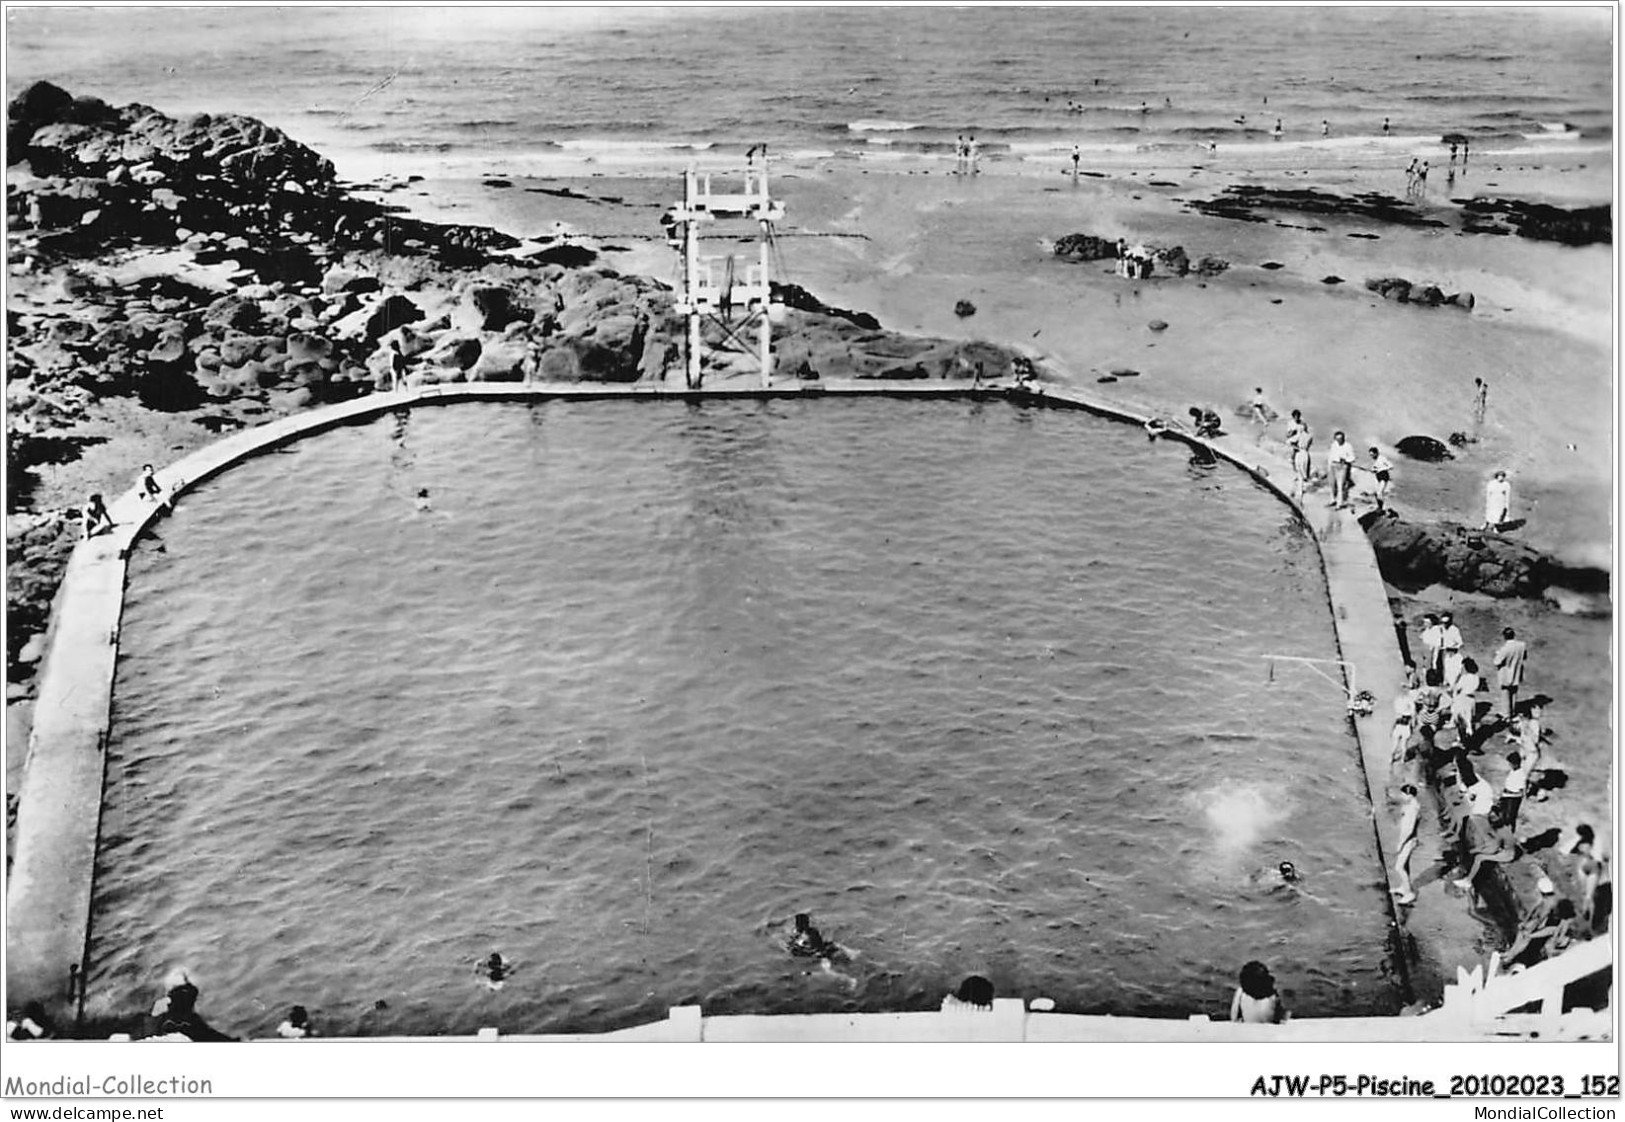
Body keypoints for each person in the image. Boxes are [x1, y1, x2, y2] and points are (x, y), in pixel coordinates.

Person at [150, 972, 237, 1042]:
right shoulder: (188, 993)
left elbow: (155, 1016)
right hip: (182, 1023)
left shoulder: (172, 998)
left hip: (181, 1022)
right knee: (203, 1032)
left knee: (203, 1032)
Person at [1452, 810, 1517, 892]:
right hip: (1500, 848)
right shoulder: (1504, 828)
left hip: (1501, 851)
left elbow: (1494, 843)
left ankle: (1468, 880)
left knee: (1478, 857)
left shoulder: (1502, 831)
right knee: (1477, 854)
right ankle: (1468, 876)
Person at [1391, 784, 1422, 903]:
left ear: (1409, 795)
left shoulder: (1412, 809)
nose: (1402, 796)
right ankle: (1404, 887)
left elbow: (1408, 830)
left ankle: (1409, 893)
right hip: (1410, 840)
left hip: (1408, 841)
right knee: (1405, 865)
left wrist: (1400, 844)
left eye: (1403, 794)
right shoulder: (1412, 805)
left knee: (1398, 867)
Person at [1492, 627, 1528, 720]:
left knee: (1505, 694)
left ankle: (1506, 714)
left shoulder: (1505, 648)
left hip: (1506, 673)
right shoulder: (1521, 645)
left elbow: (1496, 662)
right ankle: (1512, 712)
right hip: (1516, 671)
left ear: (1504, 636)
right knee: (1514, 692)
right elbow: (1524, 657)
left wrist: (1497, 654)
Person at [1450, 656, 1483, 741]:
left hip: (1462, 699)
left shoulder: (1464, 677)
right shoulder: (1476, 678)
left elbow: (1457, 688)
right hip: (1471, 700)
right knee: (1469, 719)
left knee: (1461, 719)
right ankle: (1470, 734)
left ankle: (1462, 736)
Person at [1496, 751, 1528, 831]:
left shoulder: (1521, 774)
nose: (1509, 765)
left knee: (1509, 817)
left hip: (1513, 799)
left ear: (1515, 764)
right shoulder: (1513, 771)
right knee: (1502, 815)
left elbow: (1520, 792)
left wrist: (1507, 794)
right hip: (1506, 796)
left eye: (1510, 763)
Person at [1326, 430, 1356, 508]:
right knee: (1332, 484)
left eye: (1340, 439)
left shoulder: (1348, 446)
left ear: (1343, 438)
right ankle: (1332, 500)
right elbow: (1330, 456)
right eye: (1337, 439)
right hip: (1333, 465)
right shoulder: (1333, 445)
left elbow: (1352, 458)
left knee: (1340, 485)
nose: (1339, 440)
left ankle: (1340, 503)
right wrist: (1329, 467)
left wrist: (1346, 459)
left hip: (1342, 467)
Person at [1357, 446, 1393, 511]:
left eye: (1372, 455)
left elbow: (1391, 466)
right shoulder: (1375, 460)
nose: (1371, 456)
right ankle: (1380, 507)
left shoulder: (1382, 458)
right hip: (1378, 477)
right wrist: (1373, 470)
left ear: (1376, 453)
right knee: (1376, 493)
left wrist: (1380, 469)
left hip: (1384, 476)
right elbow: (1374, 468)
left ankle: (1383, 508)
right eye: (1370, 455)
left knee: (1379, 493)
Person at [1437, 612, 1464, 686]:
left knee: (1454, 669)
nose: (1444, 624)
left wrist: (1453, 648)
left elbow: (1460, 643)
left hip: (1453, 652)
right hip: (1445, 652)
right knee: (1446, 668)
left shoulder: (1454, 630)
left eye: (1446, 623)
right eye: (1443, 622)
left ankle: (1453, 683)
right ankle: (1445, 682)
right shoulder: (1441, 629)